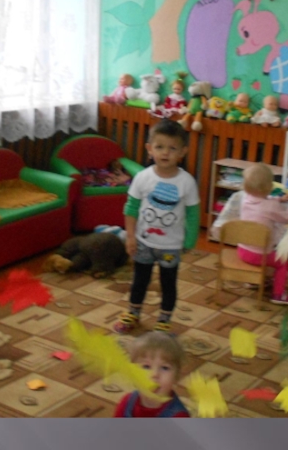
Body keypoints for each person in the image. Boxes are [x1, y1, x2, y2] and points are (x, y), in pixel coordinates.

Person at [114, 119, 200, 334]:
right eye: (160, 147)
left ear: (183, 152)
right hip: (143, 242)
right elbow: (131, 208)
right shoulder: (143, 178)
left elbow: (193, 213)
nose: (165, 153)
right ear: (149, 149)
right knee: (139, 280)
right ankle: (133, 313)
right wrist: (130, 236)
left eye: (172, 148)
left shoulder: (187, 182)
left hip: (171, 246)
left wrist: (190, 240)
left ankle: (164, 319)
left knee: (168, 283)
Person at [237, 163, 288, 305]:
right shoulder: (271, 206)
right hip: (260, 254)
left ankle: (255, 280)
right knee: (283, 262)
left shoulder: (245, 199)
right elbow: (287, 218)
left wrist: (277, 199)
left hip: (242, 250)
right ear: (269, 186)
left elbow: (261, 201)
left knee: (261, 246)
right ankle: (278, 294)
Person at [113, 331, 190, 418]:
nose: (155, 374)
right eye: (146, 366)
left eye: (165, 368)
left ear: (176, 377)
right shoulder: (127, 402)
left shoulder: (179, 416)